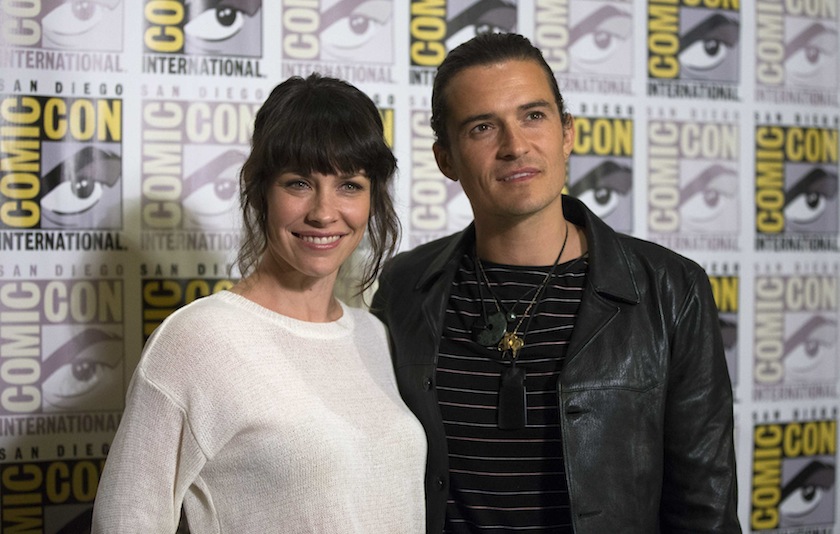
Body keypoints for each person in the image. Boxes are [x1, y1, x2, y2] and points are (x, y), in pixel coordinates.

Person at [372, 33, 740, 533]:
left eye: (533, 116)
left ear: (567, 133)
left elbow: (705, 508)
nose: (514, 146)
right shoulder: (405, 286)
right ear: (446, 159)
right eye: (483, 127)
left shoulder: (671, 289)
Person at [92, 74, 427, 533]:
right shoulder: (195, 341)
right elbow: (125, 522)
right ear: (260, 190)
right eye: (299, 183)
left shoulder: (376, 335)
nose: (324, 212)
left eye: (349, 185)